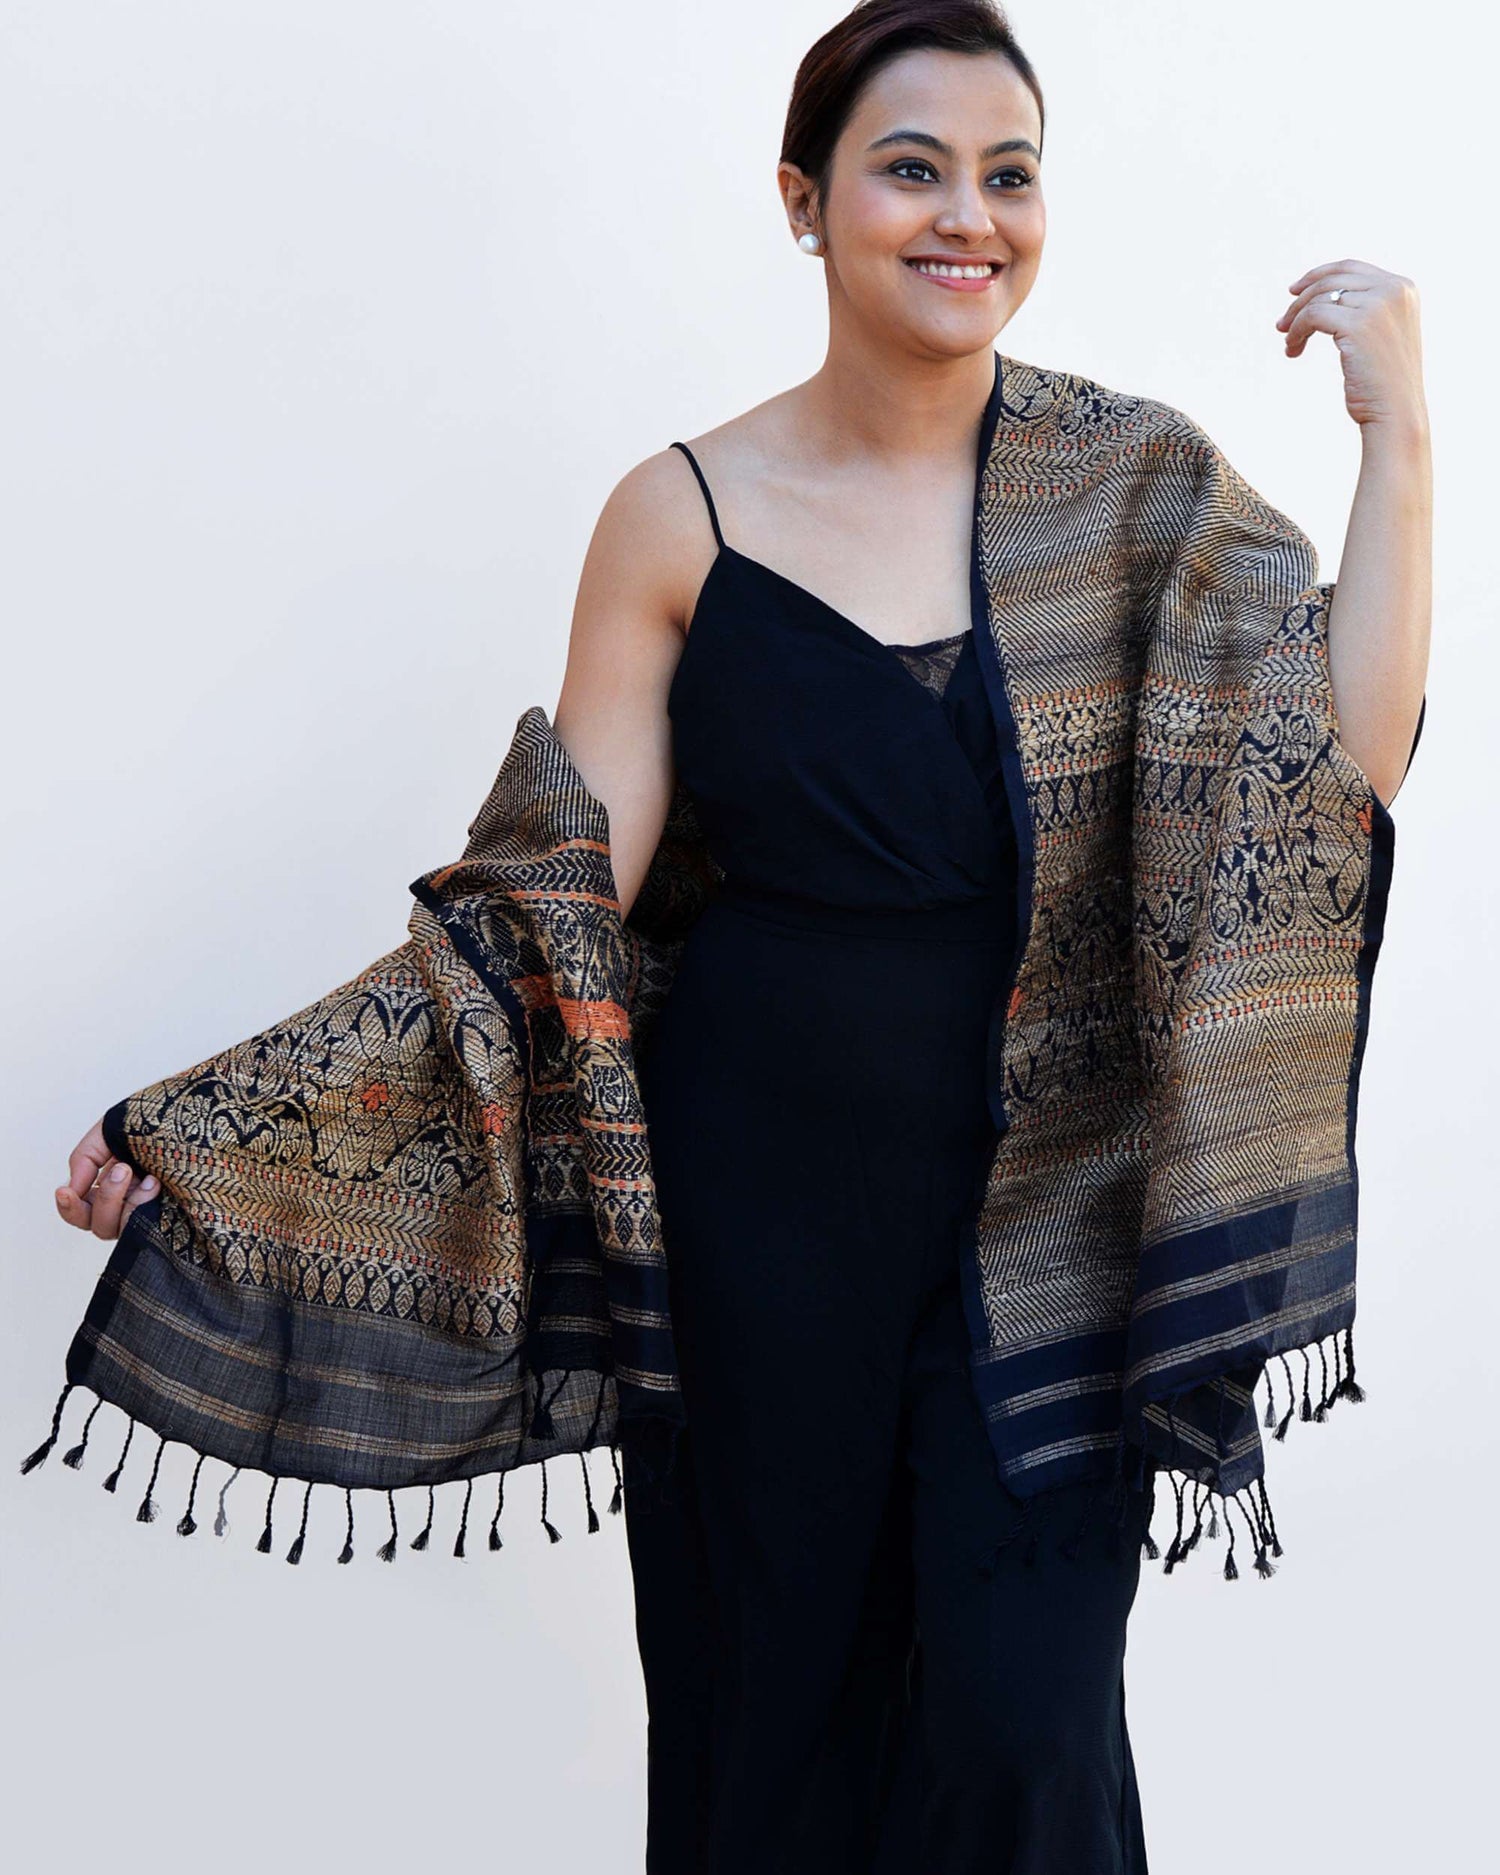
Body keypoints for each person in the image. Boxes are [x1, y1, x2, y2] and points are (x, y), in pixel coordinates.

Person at [46, 4, 1431, 1871]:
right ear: (805, 203)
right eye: (912, 170)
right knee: (768, 1750)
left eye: (1010, 177)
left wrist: (1400, 433)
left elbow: (1340, 772)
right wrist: (220, 1132)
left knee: (1025, 1739)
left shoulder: (1132, 497)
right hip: (750, 1249)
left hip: (1045, 1230)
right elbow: (549, 916)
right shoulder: (680, 515)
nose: (971, 219)